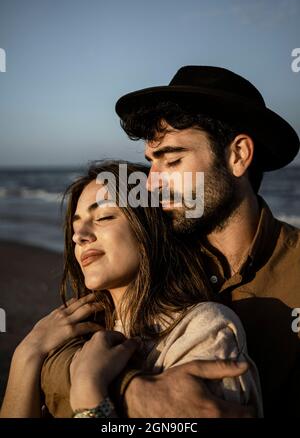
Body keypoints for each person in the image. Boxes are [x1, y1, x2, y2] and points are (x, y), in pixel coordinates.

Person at [41, 66, 300, 417]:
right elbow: (62, 355)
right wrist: (131, 389)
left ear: (238, 155)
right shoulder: (151, 253)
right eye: (151, 164)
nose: (151, 184)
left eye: (173, 160)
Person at [33, 160, 262, 419]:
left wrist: (91, 399)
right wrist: (27, 356)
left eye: (104, 217)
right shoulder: (78, 330)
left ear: (150, 227)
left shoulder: (203, 329)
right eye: (75, 227)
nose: (79, 236)